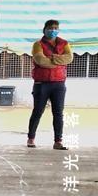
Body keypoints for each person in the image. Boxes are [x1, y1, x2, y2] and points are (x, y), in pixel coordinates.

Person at [28, 19, 73, 150]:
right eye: (50, 28)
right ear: (44, 29)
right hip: (42, 84)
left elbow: (69, 58)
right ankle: (31, 138)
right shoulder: (38, 44)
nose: (53, 30)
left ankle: (58, 141)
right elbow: (41, 60)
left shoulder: (64, 43)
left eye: (55, 28)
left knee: (58, 113)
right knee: (37, 111)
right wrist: (58, 60)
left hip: (59, 84)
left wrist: (51, 58)